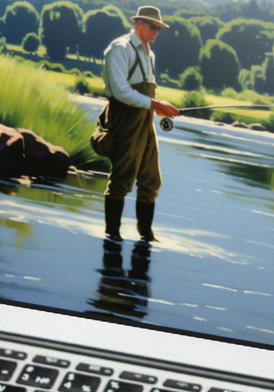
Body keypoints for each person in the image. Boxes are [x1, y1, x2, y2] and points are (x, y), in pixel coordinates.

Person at [99, 7, 180, 244]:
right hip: (124, 120)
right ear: (140, 24)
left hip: (145, 122)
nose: (156, 32)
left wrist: (160, 109)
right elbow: (120, 91)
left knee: (151, 179)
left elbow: (144, 93)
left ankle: (146, 236)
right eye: (153, 27)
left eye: (159, 28)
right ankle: (112, 235)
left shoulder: (149, 53)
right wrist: (156, 103)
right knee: (121, 179)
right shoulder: (120, 48)